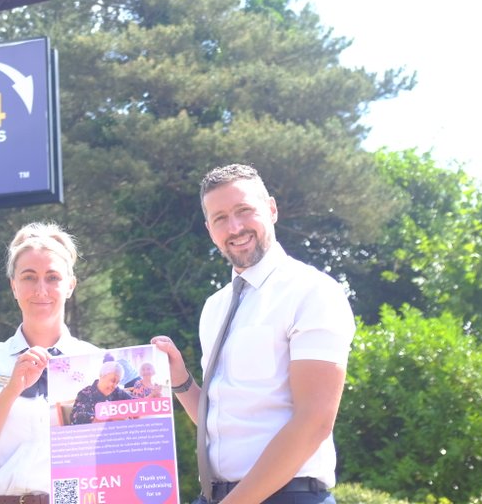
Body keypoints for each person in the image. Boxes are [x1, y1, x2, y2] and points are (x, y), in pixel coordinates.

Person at [152, 164, 356, 504]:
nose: (234, 227)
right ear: (209, 229)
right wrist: (181, 380)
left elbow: (315, 421)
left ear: (272, 209)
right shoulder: (214, 307)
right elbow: (222, 417)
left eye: (244, 211)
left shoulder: (313, 291)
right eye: (220, 218)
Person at [0, 222, 98, 504]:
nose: (41, 289)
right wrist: (11, 390)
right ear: (13, 286)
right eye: (29, 277)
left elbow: (117, 456)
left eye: (52, 277)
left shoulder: (98, 364)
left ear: (70, 286)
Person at [68, 360, 134, 424]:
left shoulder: (117, 392)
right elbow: (77, 419)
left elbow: (134, 403)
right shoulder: (85, 394)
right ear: (102, 376)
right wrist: (111, 418)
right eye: (112, 381)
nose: (114, 385)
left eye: (117, 382)